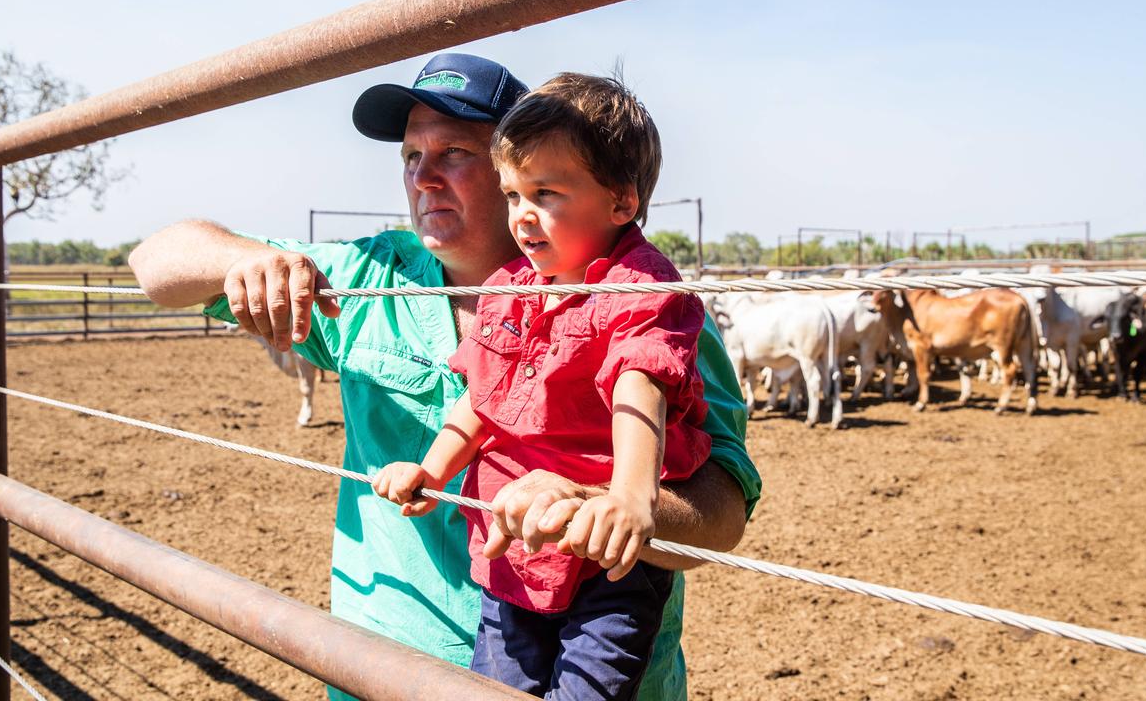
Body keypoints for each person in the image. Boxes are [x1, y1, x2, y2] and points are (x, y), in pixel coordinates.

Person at [129, 53, 760, 701]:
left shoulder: (650, 301)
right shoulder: (364, 279)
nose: (423, 178)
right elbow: (156, 261)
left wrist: (601, 500)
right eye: (409, 156)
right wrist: (253, 261)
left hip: (598, 657)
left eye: (454, 152)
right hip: (382, 671)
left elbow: (722, 515)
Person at [371, 72, 709, 699]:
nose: (522, 216)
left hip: (604, 555)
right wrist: (433, 470)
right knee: (499, 686)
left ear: (621, 203)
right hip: (511, 551)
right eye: (512, 194)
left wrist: (631, 497)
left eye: (545, 193)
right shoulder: (511, 287)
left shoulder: (640, 288)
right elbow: (482, 401)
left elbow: (642, 383)